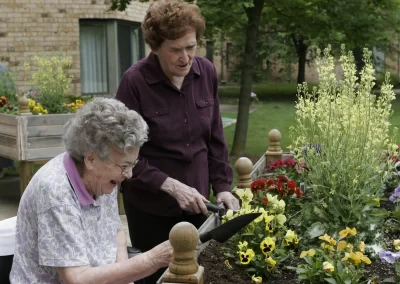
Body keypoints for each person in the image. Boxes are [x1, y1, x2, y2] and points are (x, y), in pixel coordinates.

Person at [115, 0, 240, 282]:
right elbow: (121, 156)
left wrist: (222, 187)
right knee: (159, 278)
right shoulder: (134, 82)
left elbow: (215, 138)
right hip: (151, 209)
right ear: (156, 47)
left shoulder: (206, 72)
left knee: (198, 275)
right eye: (175, 50)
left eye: (191, 47)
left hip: (198, 204)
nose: (186, 57)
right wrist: (170, 186)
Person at [9, 98, 173, 284]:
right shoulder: (56, 192)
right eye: (124, 166)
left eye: (132, 164)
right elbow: (77, 279)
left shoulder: (102, 176)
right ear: (91, 159)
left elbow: (115, 230)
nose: (129, 174)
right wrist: (151, 260)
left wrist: (125, 278)